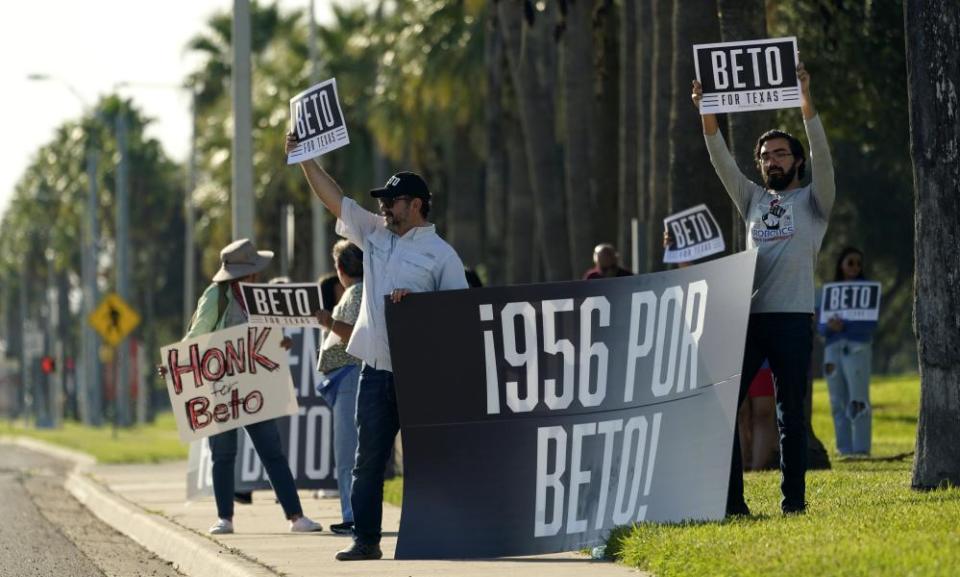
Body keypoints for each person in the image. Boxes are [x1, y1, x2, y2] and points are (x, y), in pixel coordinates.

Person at [287, 135, 469, 561]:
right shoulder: (373, 234)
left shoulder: (443, 256)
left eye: (394, 200)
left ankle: (439, 536)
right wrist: (305, 160)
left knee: (429, 463)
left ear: (418, 205)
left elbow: (459, 317)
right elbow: (336, 200)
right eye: (384, 201)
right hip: (375, 370)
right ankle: (366, 541)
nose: (385, 206)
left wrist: (421, 308)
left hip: (422, 377)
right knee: (367, 462)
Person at [693, 61, 835, 515]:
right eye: (765, 156)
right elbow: (719, 156)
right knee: (723, 410)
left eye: (780, 154)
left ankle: (793, 503)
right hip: (748, 319)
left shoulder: (814, 202)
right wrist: (705, 108)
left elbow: (821, 148)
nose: (771, 160)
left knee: (790, 414)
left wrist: (805, 97)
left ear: (797, 161)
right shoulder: (752, 198)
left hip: (793, 320)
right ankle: (734, 504)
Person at [179, 238, 323, 535]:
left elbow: (271, 335)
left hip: (255, 384)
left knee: (271, 450)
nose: (257, 275)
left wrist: (280, 343)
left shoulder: (259, 297)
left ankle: (296, 517)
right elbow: (196, 335)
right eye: (254, 270)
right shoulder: (216, 296)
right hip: (221, 386)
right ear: (247, 273)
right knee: (223, 452)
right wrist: (180, 362)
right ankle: (225, 518)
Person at [314, 240, 364, 535]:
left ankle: (351, 515)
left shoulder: (355, 294)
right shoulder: (360, 292)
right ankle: (355, 513)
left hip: (350, 377)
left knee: (347, 454)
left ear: (341, 268)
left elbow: (354, 335)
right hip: (349, 377)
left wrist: (329, 321)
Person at [819, 247, 876, 456]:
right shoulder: (829, 291)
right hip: (832, 350)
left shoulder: (868, 290)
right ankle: (844, 448)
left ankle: (861, 448)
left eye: (858, 264)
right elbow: (821, 327)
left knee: (858, 399)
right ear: (841, 264)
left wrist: (845, 327)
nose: (855, 267)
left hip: (857, 349)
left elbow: (870, 324)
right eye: (850, 262)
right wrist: (830, 328)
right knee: (837, 400)